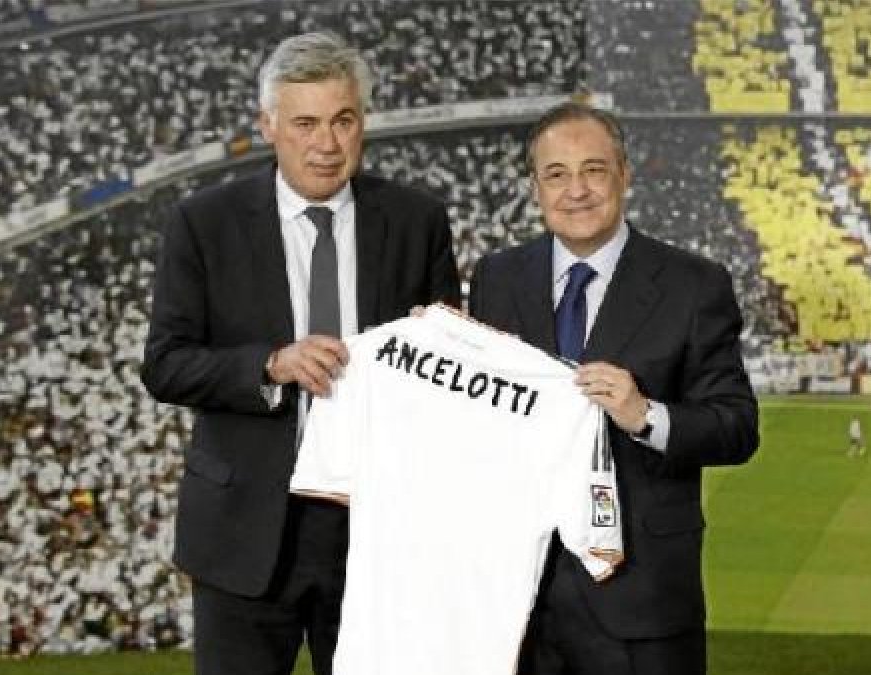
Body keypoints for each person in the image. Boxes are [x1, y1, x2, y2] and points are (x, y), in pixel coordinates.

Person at [140, 32, 460, 675]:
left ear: (362, 122)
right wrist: (269, 366)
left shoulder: (416, 219)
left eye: (343, 120)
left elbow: (443, 373)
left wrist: (446, 343)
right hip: (245, 534)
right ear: (268, 125)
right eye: (306, 122)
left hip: (377, 531)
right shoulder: (204, 222)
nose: (327, 143)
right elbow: (166, 363)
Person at [469, 102, 759, 675]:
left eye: (593, 170)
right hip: (520, 602)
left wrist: (644, 414)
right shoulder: (496, 279)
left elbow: (737, 427)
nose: (576, 189)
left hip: (642, 602)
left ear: (624, 175)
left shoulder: (693, 285)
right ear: (535, 188)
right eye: (557, 174)